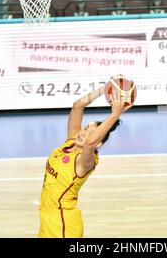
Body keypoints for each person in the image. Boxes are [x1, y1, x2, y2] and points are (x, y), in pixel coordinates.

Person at [38, 84, 131, 238]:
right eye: (86, 127)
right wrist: (105, 89)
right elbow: (78, 106)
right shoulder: (70, 141)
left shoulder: (86, 161)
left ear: (98, 143)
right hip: (46, 217)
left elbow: (90, 143)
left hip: (63, 223)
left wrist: (114, 115)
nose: (84, 132)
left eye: (91, 132)